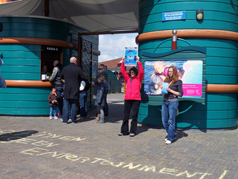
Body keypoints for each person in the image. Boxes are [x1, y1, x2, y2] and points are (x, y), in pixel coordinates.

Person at [118, 56, 144, 137]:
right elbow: (122, 71)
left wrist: (138, 61)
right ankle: (124, 131)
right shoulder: (128, 78)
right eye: (131, 71)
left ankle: (133, 131)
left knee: (134, 116)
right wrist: (123, 62)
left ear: (136, 72)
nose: (132, 72)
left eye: (133, 71)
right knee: (125, 115)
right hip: (127, 99)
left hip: (136, 99)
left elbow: (142, 72)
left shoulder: (138, 78)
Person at [162, 66, 183, 145]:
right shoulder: (166, 80)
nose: (169, 73)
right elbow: (164, 92)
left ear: (174, 72)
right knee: (164, 121)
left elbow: (180, 94)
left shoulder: (178, 81)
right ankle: (172, 134)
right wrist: (162, 89)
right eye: (168, 71)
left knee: (171, 121)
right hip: (165, 101)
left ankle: (170, 138)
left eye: (171, 71)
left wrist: (170, 90)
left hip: (173, 102)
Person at [61, 57, 85, 124]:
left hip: (67, 89)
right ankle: (73, 119)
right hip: (75, 89)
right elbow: (83, 77)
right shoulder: (78, 69)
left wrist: (65, 81)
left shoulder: (65, 68)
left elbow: (61, 77)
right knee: (74, 105)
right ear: (75, 61)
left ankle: (65, 120)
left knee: (66, 105)